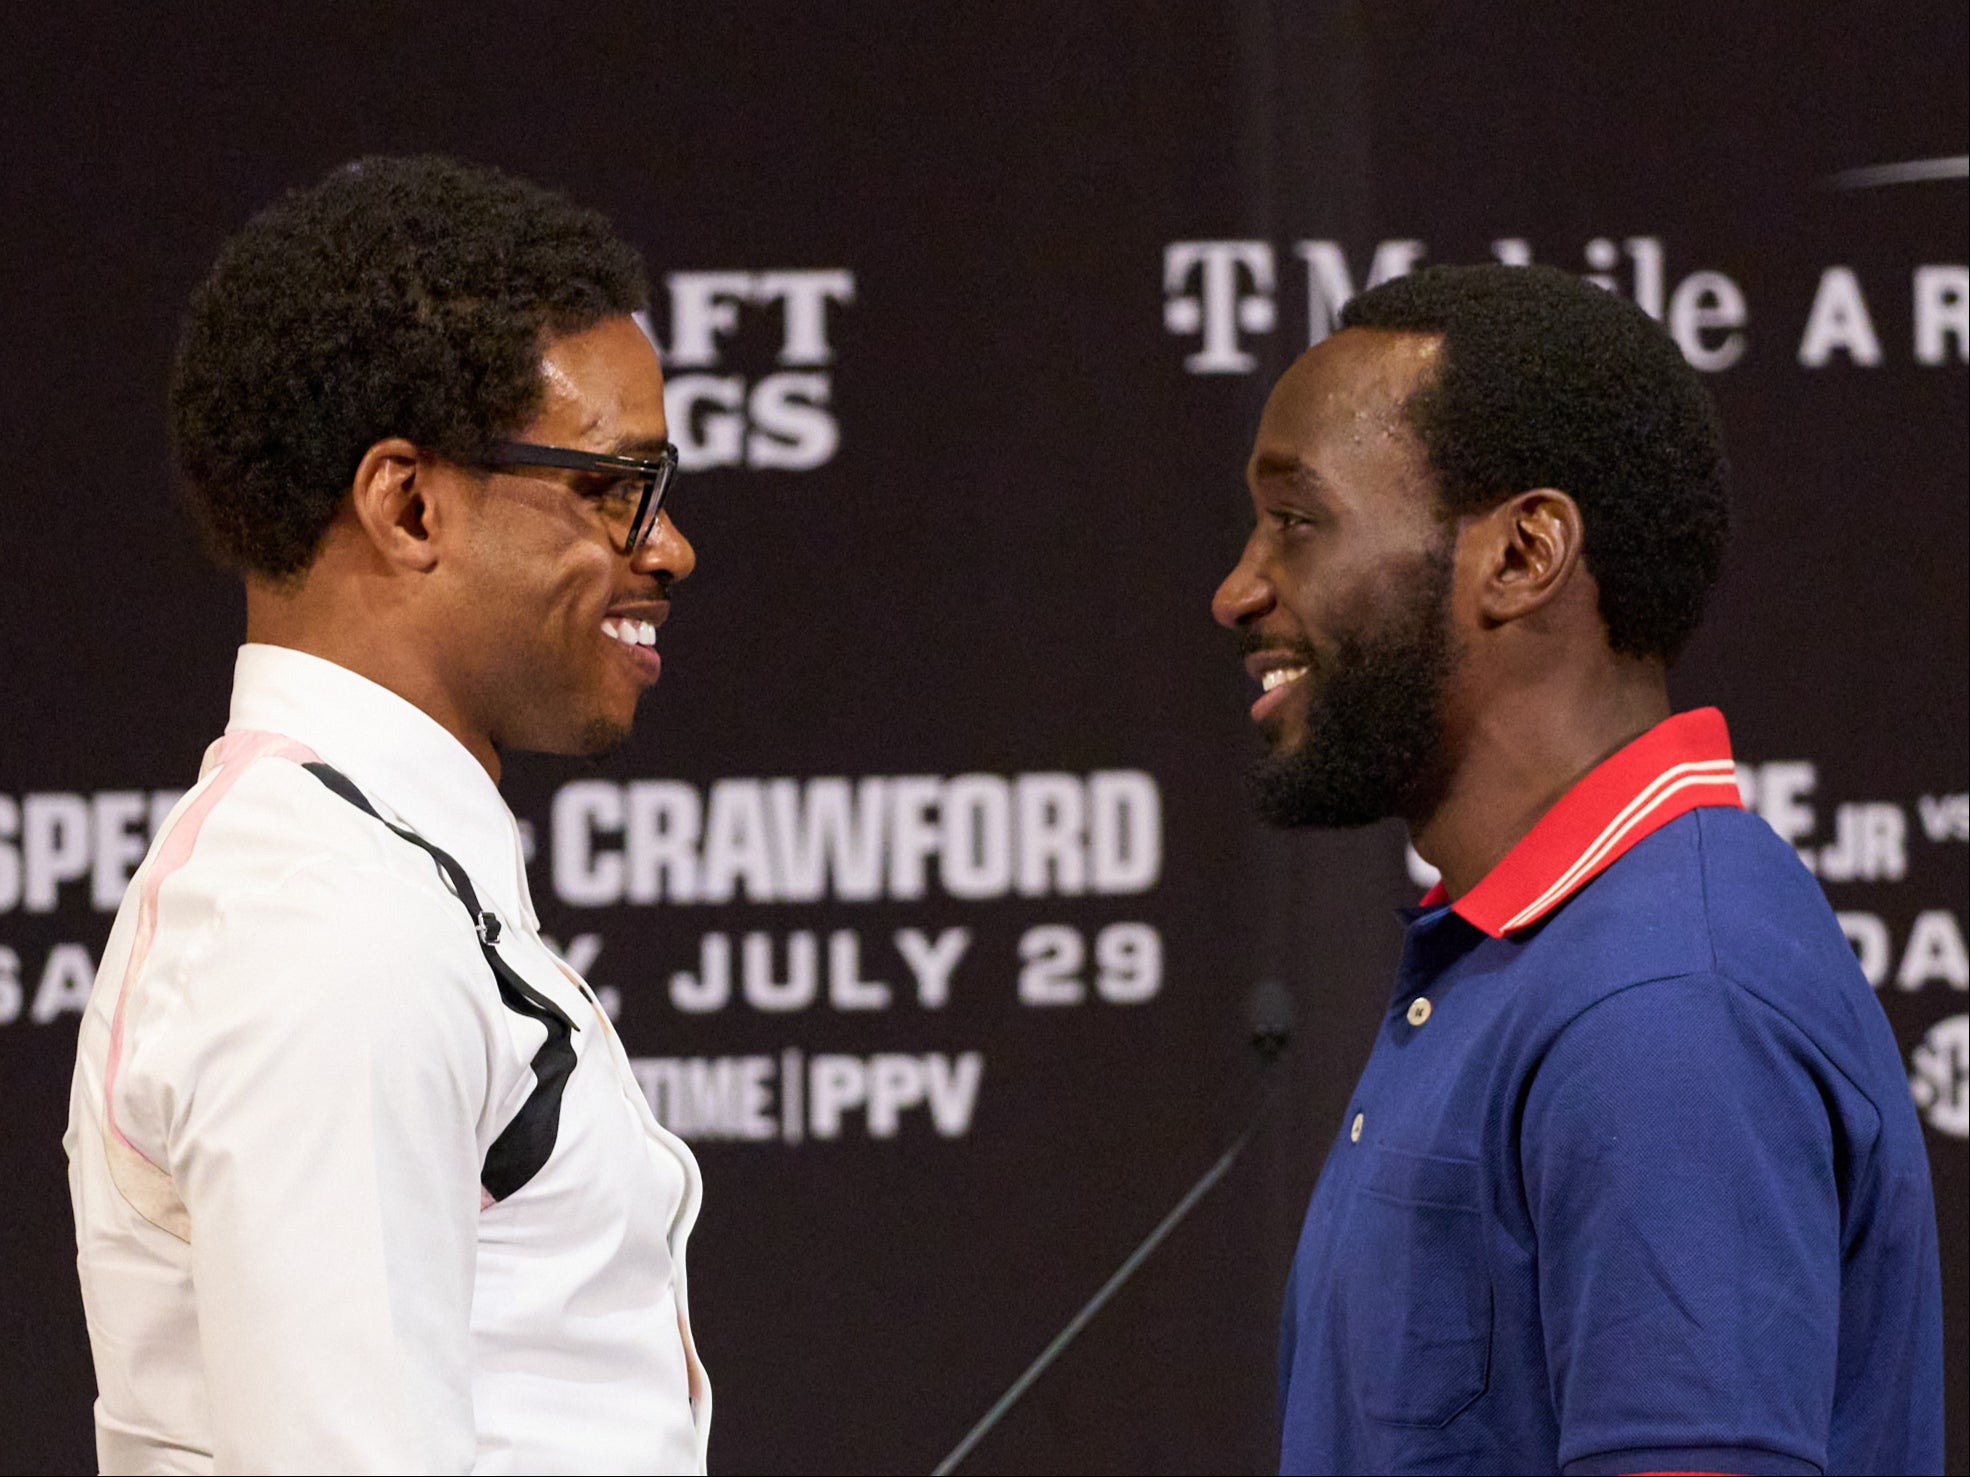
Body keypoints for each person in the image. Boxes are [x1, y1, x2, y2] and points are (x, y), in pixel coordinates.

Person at [1213, 264, 1942, 1477]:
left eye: (1297, 520)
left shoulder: (1661, 1002)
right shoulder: (1539, 956)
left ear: (1521, 552)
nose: (1238, 587)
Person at [65, 156, 709, 1474]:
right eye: (612, 486)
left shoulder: (369, 880)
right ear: (408, 503)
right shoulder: (329, 930)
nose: (668, 543)